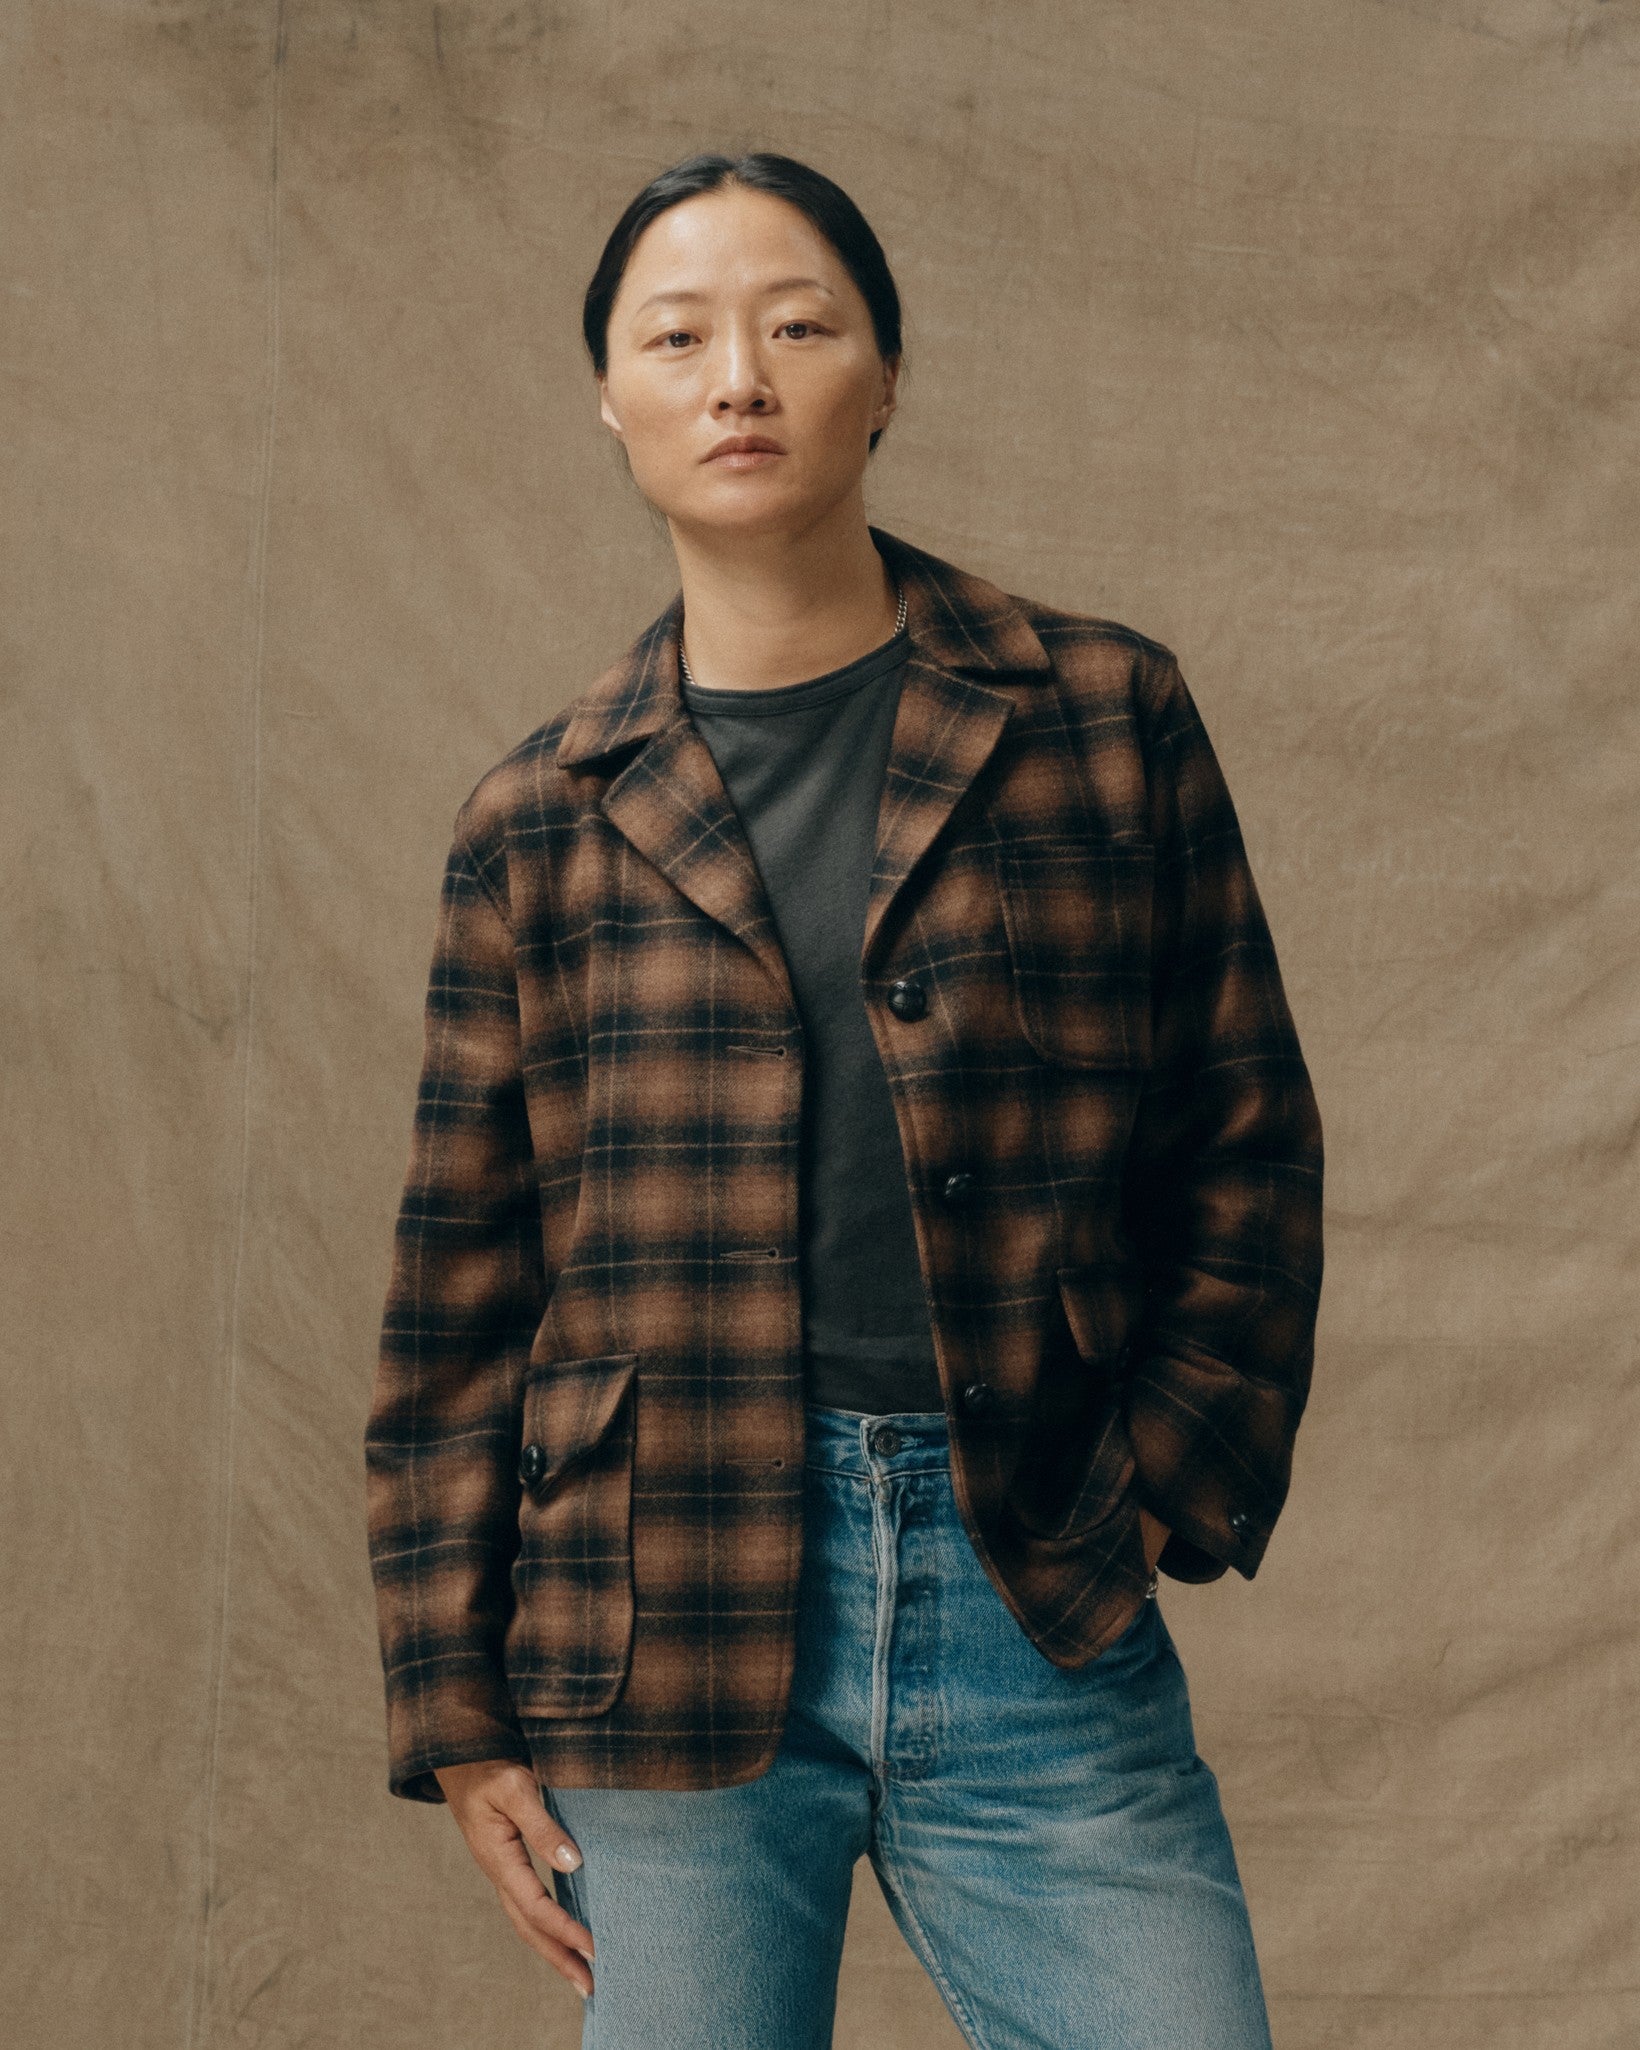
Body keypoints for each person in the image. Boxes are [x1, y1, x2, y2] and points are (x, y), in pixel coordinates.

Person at [364, 149, 1325, 2049]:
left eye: (798, 326)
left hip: (1031, 1566)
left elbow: (1246, 1140)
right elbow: (461, 1293)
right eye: (678, 338)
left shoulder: (1097, 718)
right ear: (611, 399)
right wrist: (454, 1706)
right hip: (662, 1608)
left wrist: (1156, 1491)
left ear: (886, 375)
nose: (740, 378)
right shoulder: (538, 823)